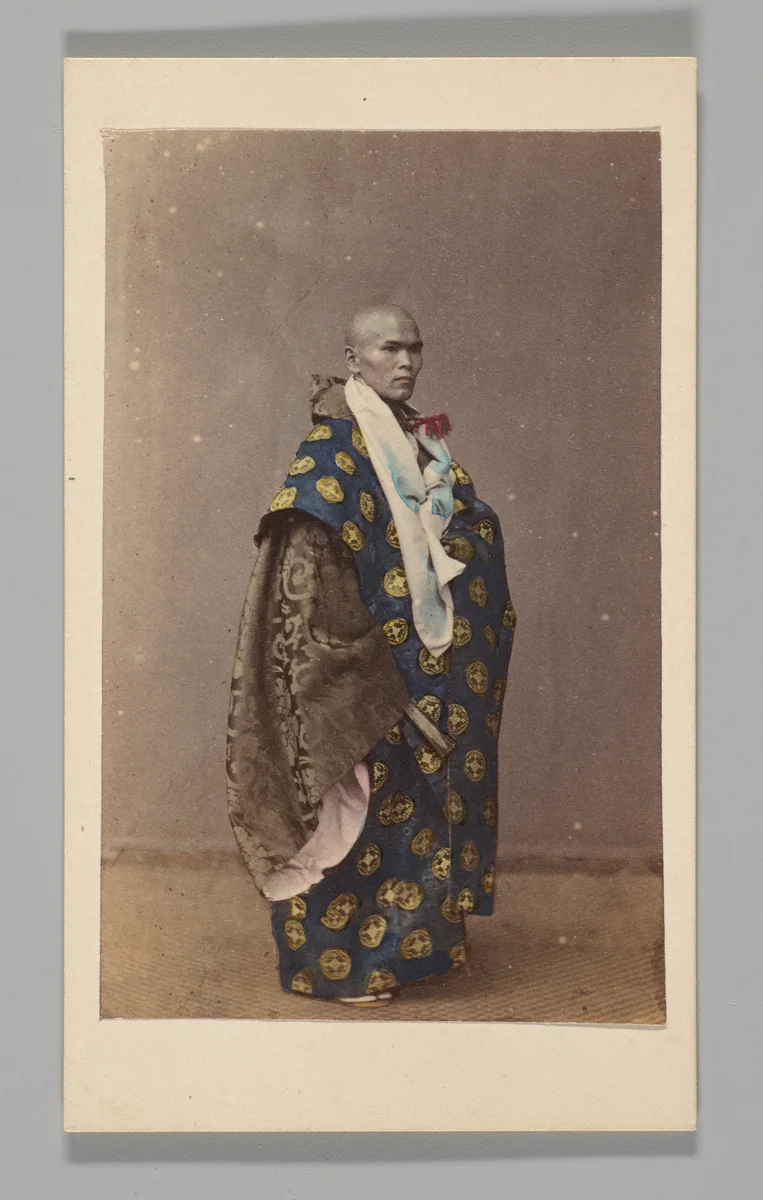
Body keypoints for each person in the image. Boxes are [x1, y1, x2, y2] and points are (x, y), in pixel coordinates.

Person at [226, 303, 516, 1007]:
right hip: (360, 665)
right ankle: (339, 969)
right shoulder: (330, 453)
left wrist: (456, 534)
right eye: (389, 349)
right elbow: (306, 569)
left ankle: (415, 956)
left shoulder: (421, 443)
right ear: (353, 359)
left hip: (426, 662)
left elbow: (464, 527)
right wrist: (360, 665)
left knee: (421, 811)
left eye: (414, 348)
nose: (406, 362)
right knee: (356, 809)